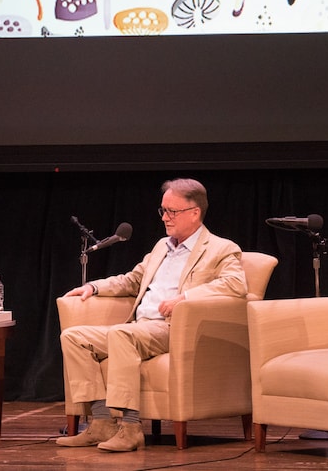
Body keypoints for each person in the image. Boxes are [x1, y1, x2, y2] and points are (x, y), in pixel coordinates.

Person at [56, 178, 247, 452]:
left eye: (173, 211)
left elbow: (235, 285)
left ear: (195, 212)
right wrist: (94, 287)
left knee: (123, 334)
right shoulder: (162, 247)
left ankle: (131, 428)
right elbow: (133, 281)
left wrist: (186, 298)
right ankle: (101, 423)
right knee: (74, 337)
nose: (165, 218)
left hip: (176, 328)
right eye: (163, 211)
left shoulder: (221, 248)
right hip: (141, 327)